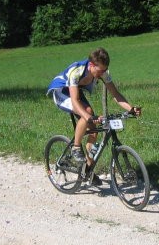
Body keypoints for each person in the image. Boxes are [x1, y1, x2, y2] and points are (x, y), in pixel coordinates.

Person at [47, 48, 141, 180]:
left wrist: (131, 108)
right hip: (61, 91)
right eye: (101, 70)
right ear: (92, 65)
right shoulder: (77, 71)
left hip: (75, 91)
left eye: (105, 70)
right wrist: (88, 117)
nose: (103, 73)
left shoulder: (102, 72)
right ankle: (76, 147)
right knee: (87, 115)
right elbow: (75, 100)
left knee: (94, 131)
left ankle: (88, 169)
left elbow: (116, 95)